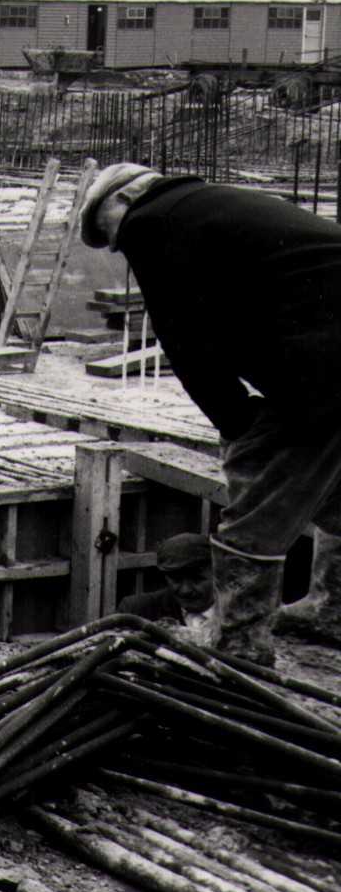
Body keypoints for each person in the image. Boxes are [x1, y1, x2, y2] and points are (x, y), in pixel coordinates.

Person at [79, 162, 341, 664]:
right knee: (338, 489)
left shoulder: (150, 222)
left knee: (256, 496)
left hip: (324, 369)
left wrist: (236, 421)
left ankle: (239, 645)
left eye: (110, 234)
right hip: (329, 357)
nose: (119, 248)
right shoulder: (211, 204)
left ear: (125, 199)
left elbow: (184, 340)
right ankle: (332, 610)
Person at [122, 533, 213, 628]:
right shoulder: (135, 611)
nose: (185, 590)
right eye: (176, 579)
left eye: (196, 579)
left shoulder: (224, 614)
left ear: (217, 575)